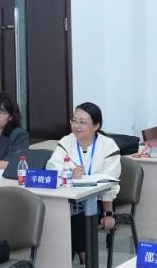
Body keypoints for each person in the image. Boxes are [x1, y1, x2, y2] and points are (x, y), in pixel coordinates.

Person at [47, 102, 121, 256]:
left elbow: (110, 182)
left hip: (98, 201)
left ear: (96, 126)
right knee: (54, 216)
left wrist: (108, 213)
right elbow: (52, 166)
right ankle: (64, 262)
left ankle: (86, 258)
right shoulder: (66, 141)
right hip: (68, 197)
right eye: (74, 121)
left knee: (76, 217)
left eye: (82, 122)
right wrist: (68, 173)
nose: (76, 126)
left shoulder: (108, 146)